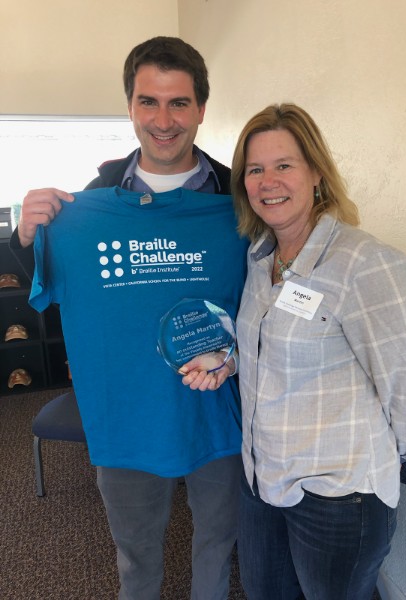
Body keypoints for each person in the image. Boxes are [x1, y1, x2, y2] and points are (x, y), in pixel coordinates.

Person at [11, 37, 248, 600]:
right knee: (136, 559)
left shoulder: (239, 201)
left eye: (178, 103)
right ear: (130, 107)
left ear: (200, 109)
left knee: (218, 545)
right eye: (149, 102)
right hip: (125, 412)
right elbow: (44, 291)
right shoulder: (84, 206)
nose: (163, 120)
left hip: (220, 411)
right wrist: (29, 238)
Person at [229, 103, 406, 600]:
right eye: (255, 169)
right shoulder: (260, 259)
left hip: (338, 494)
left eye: (284, 165)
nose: (268, 181)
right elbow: (268, 352)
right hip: (263, 478)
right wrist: (228, 361)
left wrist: (404, 456)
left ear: (317, 174)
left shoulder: (364, 263)